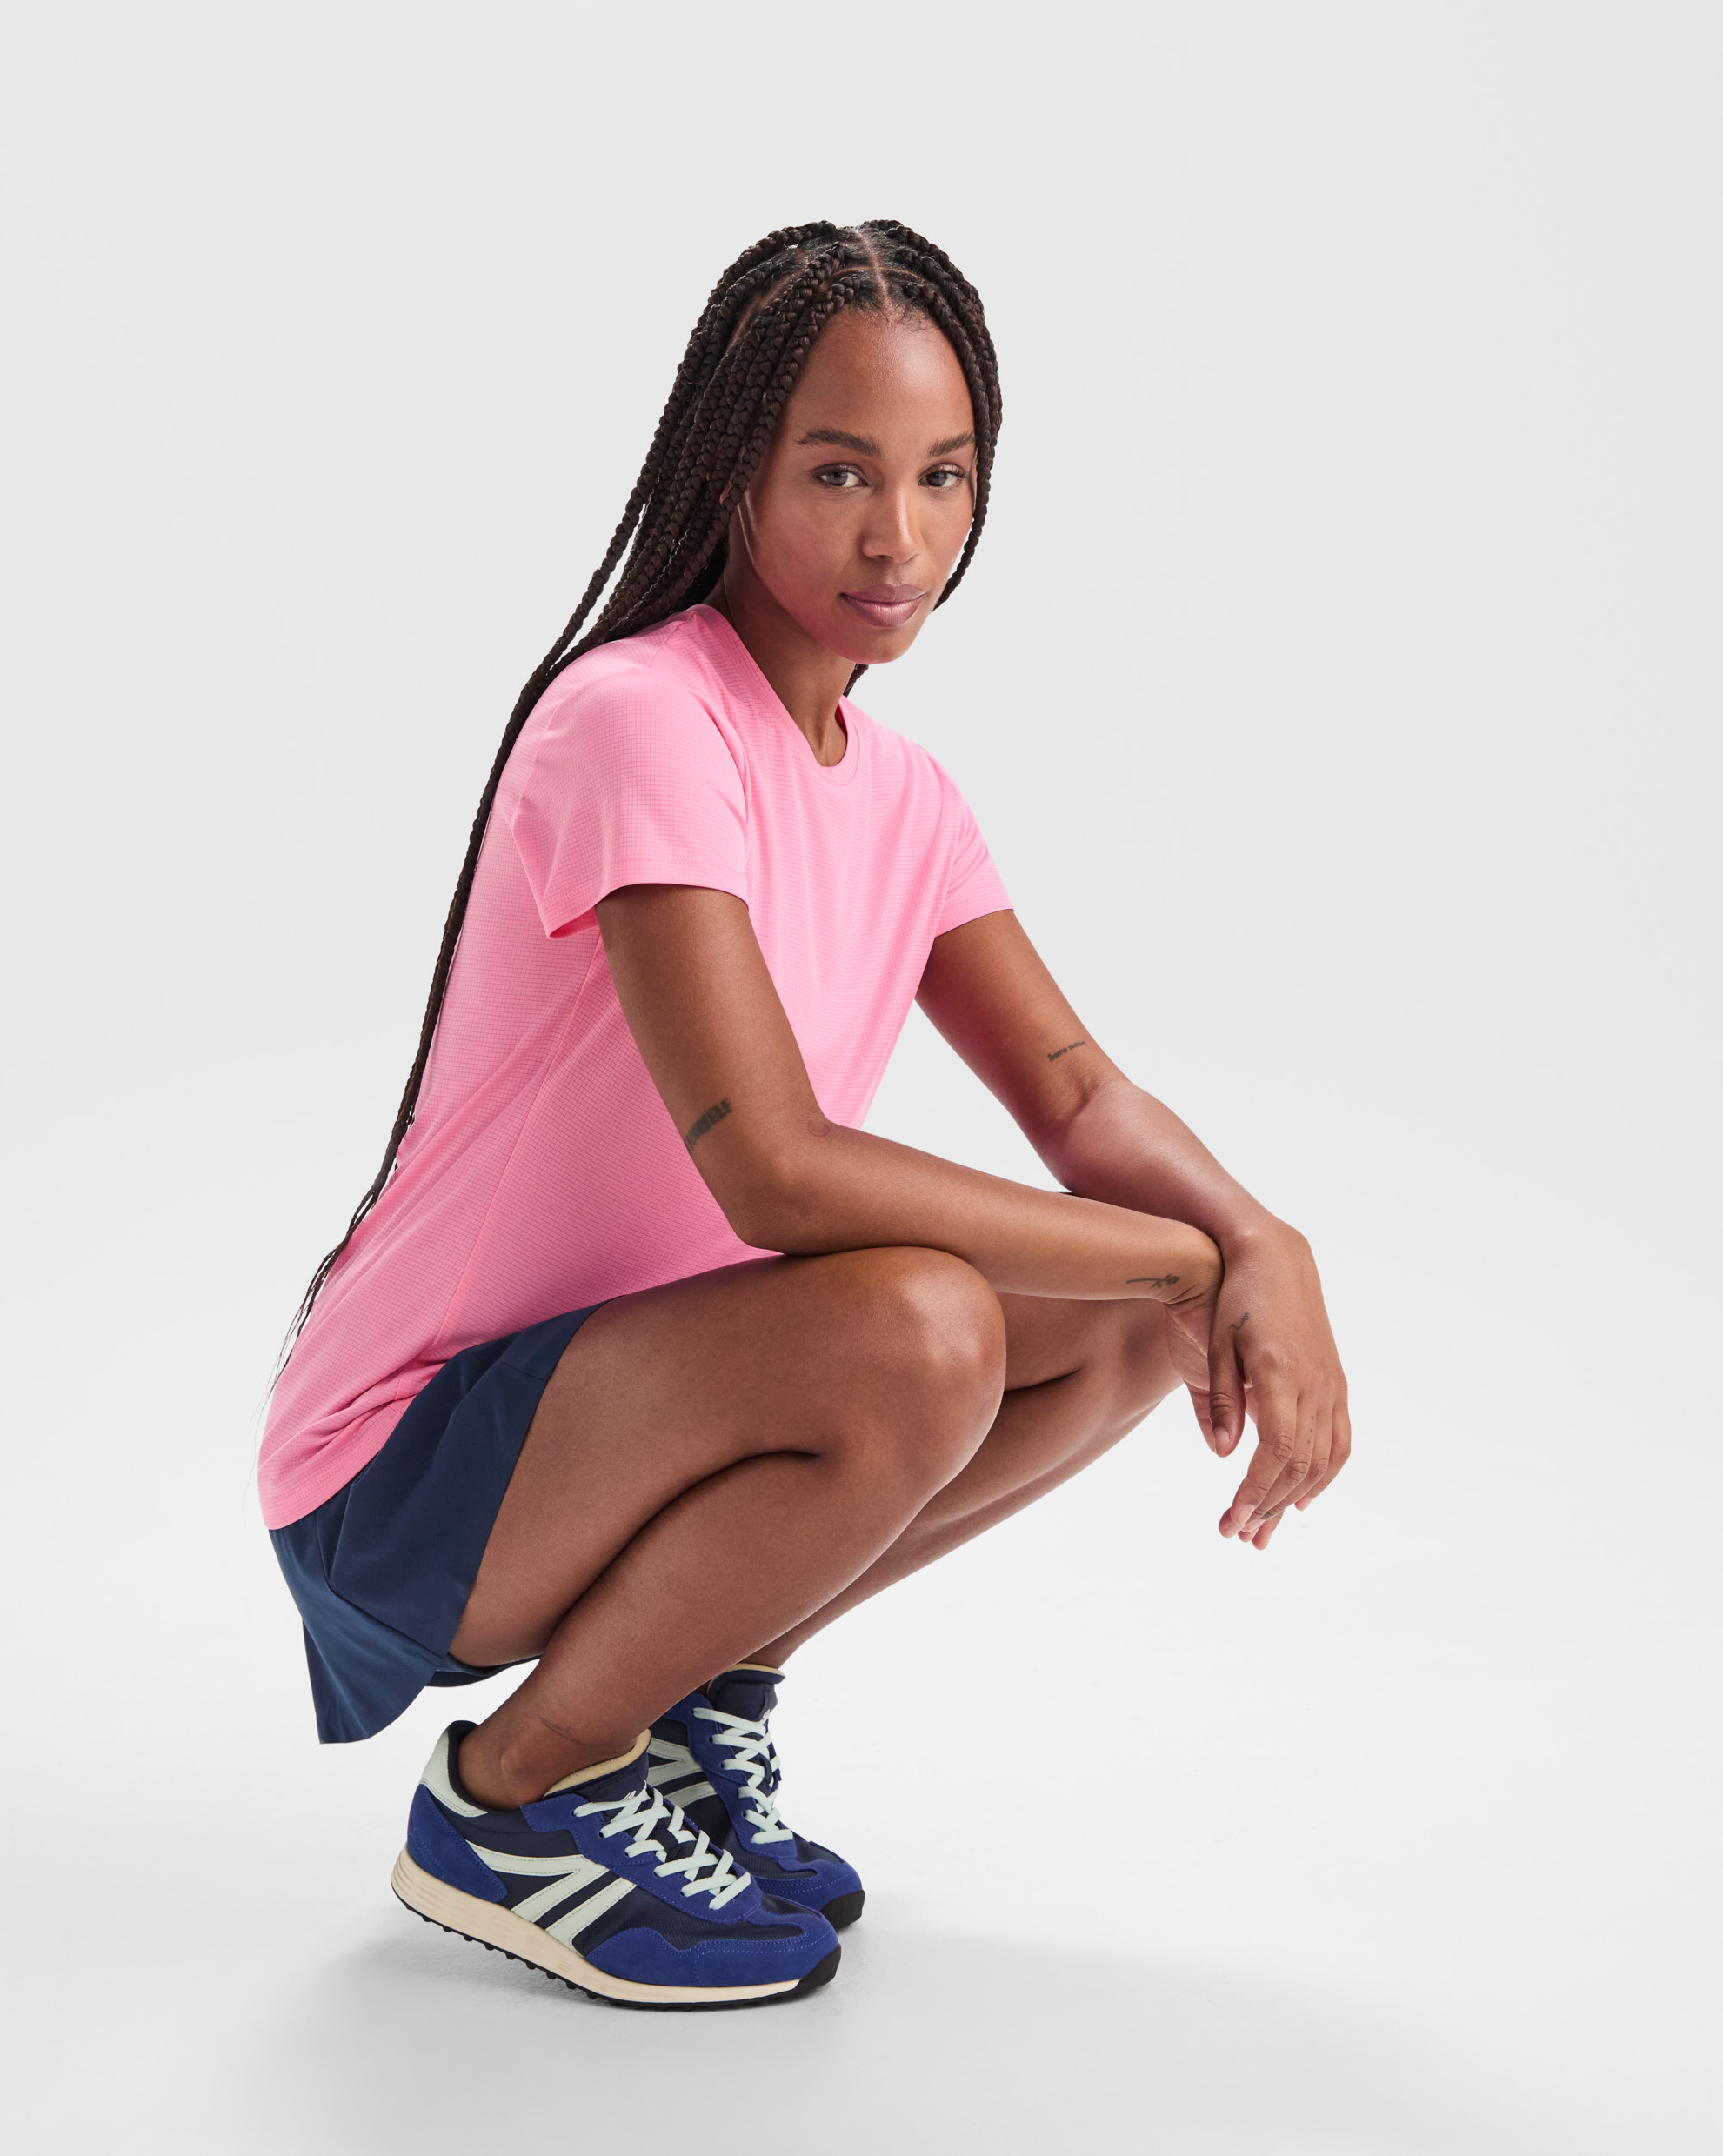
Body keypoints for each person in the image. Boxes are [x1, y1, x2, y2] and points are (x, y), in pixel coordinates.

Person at [260, 220, 1351, 2011]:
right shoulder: (640, 717)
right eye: (839, 472)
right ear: (733, 470)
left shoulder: (905, 794)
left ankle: (685, 1706)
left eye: (942, 476)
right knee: (924, 1322)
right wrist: (1196, 1255)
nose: (897, 536)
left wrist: (1256, 1244)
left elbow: (1075, 1090)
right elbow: (772, 1168)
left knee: (1114, 1327)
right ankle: (515, 1798)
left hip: (626, 1413)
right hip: (403, 1471)